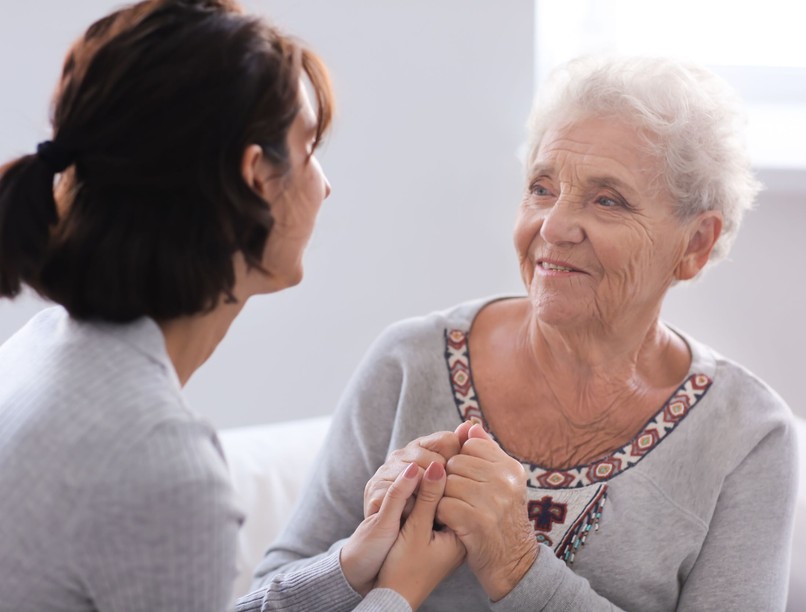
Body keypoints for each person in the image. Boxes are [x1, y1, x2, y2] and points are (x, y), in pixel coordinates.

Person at [250, 55, 799, 611]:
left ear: (696, 244)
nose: (553, 227)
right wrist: (360, 559)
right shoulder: (409, 362)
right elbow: (265, 596)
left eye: (607, 200)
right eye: (542, 188)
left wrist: (518, 566)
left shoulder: (749, 436)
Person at [0, 1, 464, 611]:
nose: (325, 184)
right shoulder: (160, 458)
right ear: (256, 177)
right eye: (307, 147)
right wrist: (398, 594)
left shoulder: (43, 347)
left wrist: (349, 570)